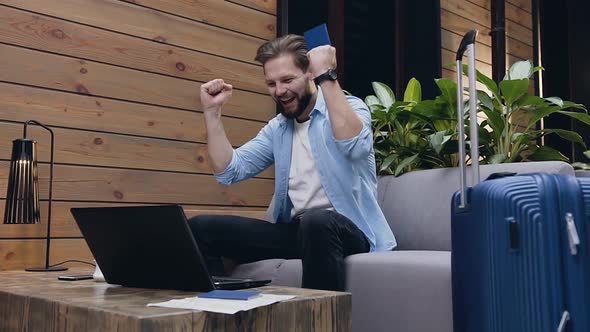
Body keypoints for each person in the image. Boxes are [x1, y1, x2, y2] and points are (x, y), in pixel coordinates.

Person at [189, 34, 396, 291]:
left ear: (310, 74)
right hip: (298, 233)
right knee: (199, 229)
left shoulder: (352, 107)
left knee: (317, 222)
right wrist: (212, 113)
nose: (279, 91)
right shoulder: (279, 129)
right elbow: (229, 171)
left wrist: (327, 76)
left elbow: (353, 147)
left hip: (349, 231)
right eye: (271, 83)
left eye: (287, 80)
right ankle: (222, 314)